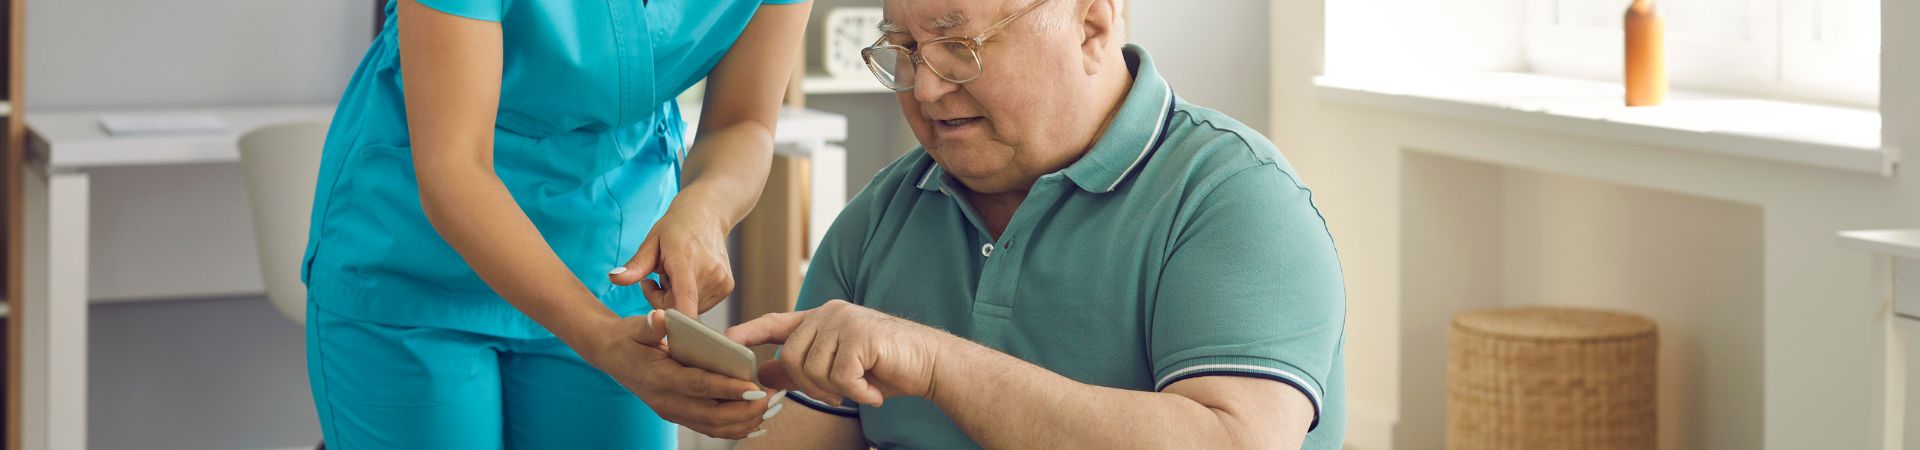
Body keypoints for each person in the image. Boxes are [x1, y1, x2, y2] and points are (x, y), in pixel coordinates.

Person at [728, 0, 1347, 448]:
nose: (928, 90)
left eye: (959, 47)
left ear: (1090, 27)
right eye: (907, 52)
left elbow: (1230, 441)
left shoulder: (1235, 197)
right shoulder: (882, 212)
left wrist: (935, 364)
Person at [300, 0, 809, 447]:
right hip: (415, 265)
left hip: (611, 264)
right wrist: (601, 339)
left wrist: (703, 209)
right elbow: (454, 167)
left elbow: (743, 120)